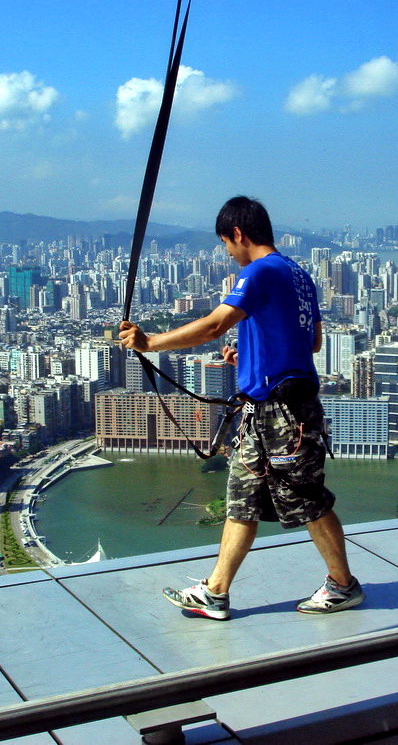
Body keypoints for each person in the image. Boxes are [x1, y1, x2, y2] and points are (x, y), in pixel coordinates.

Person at [118, 195, 364, 619]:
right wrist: (249, 357)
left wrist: (149, 343)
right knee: (242, 500)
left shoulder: (260, 271)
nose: (228, 255)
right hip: (265, 408)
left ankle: (343, 585)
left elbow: (214, 324)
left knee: (308, 500)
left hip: (286, 414)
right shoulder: (300, 275)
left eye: (226, 244)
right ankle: (216, 592)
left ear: (238, 233)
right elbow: (312, 342)